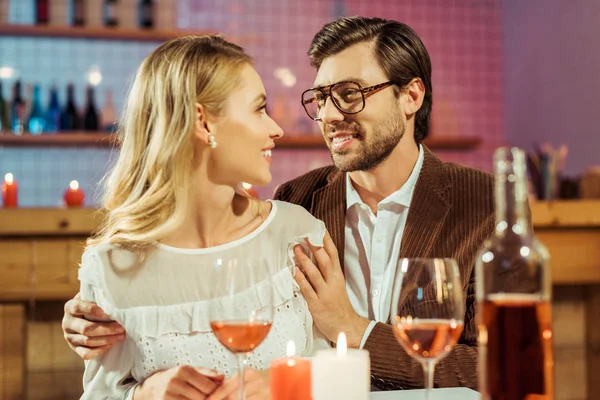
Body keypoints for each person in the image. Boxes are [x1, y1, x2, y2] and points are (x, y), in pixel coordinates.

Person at [63, 16, 496, 391]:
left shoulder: (483, 207)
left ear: (411, 97)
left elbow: (497, 370)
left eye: (348, 94)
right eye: (320, 98)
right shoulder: (298, 202)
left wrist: (353, 330)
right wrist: (111, 315)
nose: (326, 116)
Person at [72, 35, 331, 400]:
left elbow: (342, 370)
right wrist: (142, 395)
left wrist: (284, 385)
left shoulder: (296, 234)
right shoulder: (112, 266)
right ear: (203, 122)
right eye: (259, 109)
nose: (276, 128)